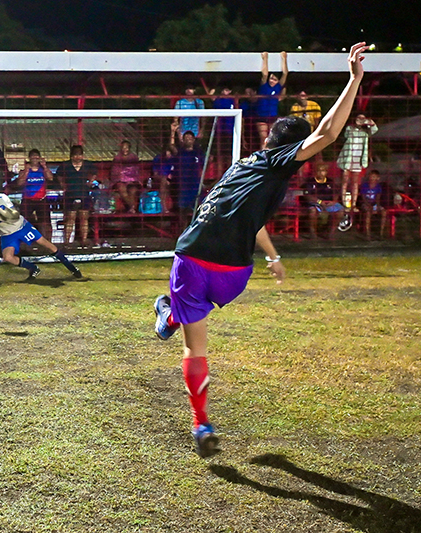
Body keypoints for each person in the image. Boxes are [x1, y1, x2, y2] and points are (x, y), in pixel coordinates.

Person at [153, 42, 369, 459]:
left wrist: (273, 254)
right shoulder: (277, 166)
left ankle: (199, 416)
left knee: (194, 344)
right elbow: (327, 133)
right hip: (231, 275)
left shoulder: (242, 166)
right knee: (194, 328)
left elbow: (248, 219)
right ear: (292, 153)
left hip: (192, 258)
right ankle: (174, 321)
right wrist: (354, 79)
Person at [0, 181, 82, 280]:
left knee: (46, 244)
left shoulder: (2, 198)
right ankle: (33, 268)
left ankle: (72, 268)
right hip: (7, 235)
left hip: (22, 227)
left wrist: (6, 214)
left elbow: (14, 215)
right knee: (8, 257)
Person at [336, 113, 378, 228]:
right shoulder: (350, 128)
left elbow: (375, 129)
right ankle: (345, 203)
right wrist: (356, 125)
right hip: (348, 158)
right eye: (358, 118)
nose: (360, 120)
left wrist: (369, 122)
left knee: (355, 182)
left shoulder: (366, 132)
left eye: (362, 118)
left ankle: (353, 204)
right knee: (345, 181)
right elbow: (346, 134)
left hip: (358, 159)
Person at [56, 145, 97, 246]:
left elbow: (95, 173)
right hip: (70, 193)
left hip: (84, 193)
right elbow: (59, 175)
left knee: (84, 217)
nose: (77, 157)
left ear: (82, 156)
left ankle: (84, 240)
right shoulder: (65, 165)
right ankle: (66, 241)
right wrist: (63, 185)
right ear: (71, 156)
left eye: (79, 155)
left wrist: (90, 182)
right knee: (70, 217)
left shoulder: (88, 164)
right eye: (75, 155)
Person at [14, 148, 55, 241]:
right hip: (28, 199)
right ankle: (23, 241)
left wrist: (45, 166)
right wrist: (26, 171)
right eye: (33, 157)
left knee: (45, 222)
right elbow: (19, 183)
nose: (35, 160)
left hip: (41, 199)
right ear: (29, 158)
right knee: (23, 221)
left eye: (37, 157)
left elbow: (51, 178)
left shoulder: (42, 170)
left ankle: (47, 241)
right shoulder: (24, 170)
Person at [170, 124, 205, 226]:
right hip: (184, 185)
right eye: (186, 138)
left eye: (190, 138)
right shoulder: (180, 152)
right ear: (183, 140)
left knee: (199, 209)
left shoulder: (198, 152)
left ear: (194, 140)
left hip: (195, 185)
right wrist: (173, 132)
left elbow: (204, 164)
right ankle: (183, 232)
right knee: (183, 210)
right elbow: (172, 147)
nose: (188, 139)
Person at [302, 163, 346, 240]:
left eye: (323, 171)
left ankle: (330, 232)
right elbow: (308, 196)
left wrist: (333, 201)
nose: (321, 173)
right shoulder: (310, 182)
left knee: (341, 211)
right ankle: (313, 232)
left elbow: (336, 193)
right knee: (312, 211)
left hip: (329, 203)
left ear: (326, 172)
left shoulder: (330, 182)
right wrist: (319, 202)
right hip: (316, 203)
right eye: (319, 171)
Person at [256, 51, 289, 149]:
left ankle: (271, 157)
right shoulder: (264, 86)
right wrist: (265, 59)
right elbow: (265, 74)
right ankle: (264, 157)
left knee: (272, 139)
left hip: (272, 115)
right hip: (261, 115)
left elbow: (285, 74)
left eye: (274, 79)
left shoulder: (278, 87)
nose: (272, 80)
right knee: (263, 138)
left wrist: (284, 58)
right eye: (271, 78)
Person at [110, 140, 143, 214]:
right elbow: (115, 172)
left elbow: (135, 171)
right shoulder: (117, 158)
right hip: (120, 180)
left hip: (132, 180)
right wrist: (120, 179)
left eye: (126, 148)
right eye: (123, 148)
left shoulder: (134, 158)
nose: (125, 149)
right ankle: (132, 208)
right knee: (121, 188)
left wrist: (132, 180)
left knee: (132, 190)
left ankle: (131, 209)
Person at [358, 169, 387, 240]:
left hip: (374, 204)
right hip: (366, 203)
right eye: (371, 176)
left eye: (374, 177)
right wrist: (368, 205)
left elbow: (378, 198)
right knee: (368, 213)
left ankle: (381, 233)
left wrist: (377, 206)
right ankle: (368, 233)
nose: (372, 178)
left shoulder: (378, 187)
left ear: (378, 178)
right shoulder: (365, 185)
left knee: (384, 212)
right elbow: (363, 197)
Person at [151, 144, 177, 214]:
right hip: (159, 178)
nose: (168, 154)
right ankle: (164, 206)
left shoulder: (174, 159)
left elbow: (175, 171)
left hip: (171, 178)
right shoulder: (158, 158)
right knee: (163, 180)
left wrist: (169, 177)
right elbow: (155, 173)